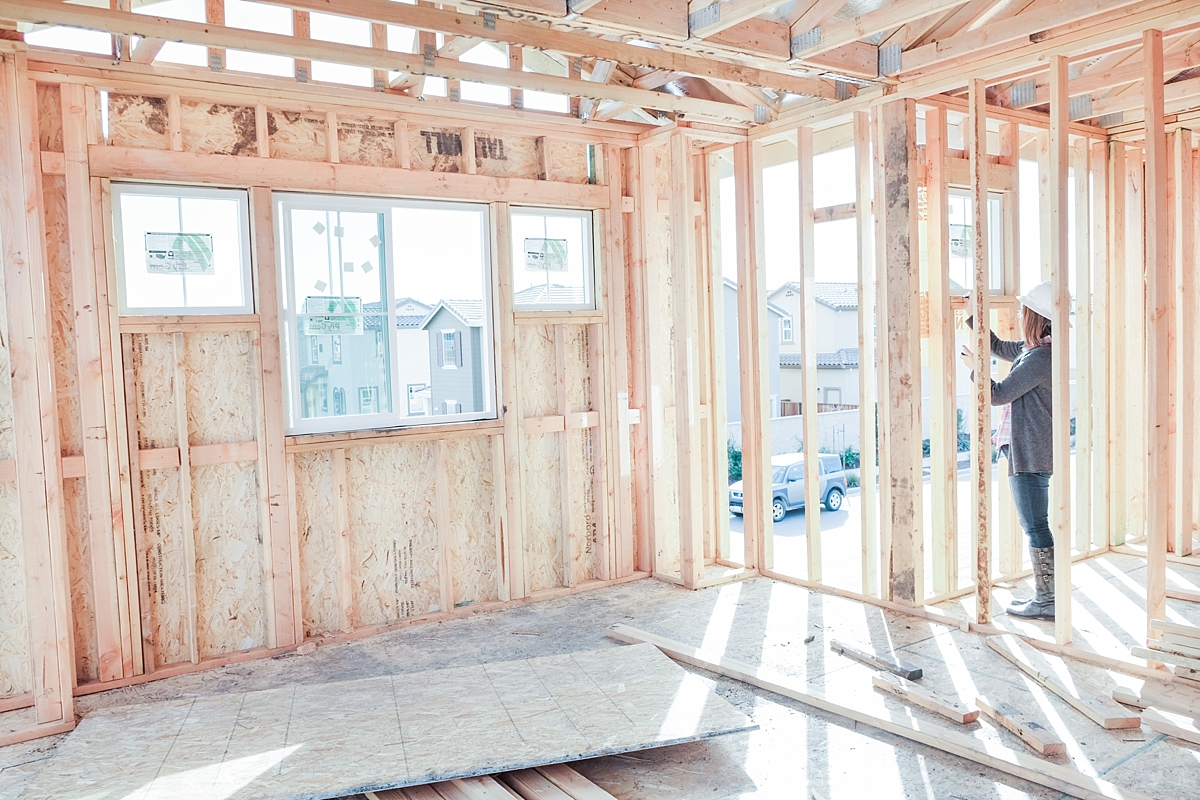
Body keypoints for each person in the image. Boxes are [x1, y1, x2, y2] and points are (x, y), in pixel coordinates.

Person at [959, 280, 1057, 621]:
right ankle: (1048, 598)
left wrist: (975, 368)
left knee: (1035, 527)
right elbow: (999, 346)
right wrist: (974, 319)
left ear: (1036, 317)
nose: (1018, 312)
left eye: (1023, 310)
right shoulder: (1035, 350)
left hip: (1030, 454)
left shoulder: (1041, 357)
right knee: (1035, 524)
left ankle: (1047, 601)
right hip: (1031, 450)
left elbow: (998, 394)